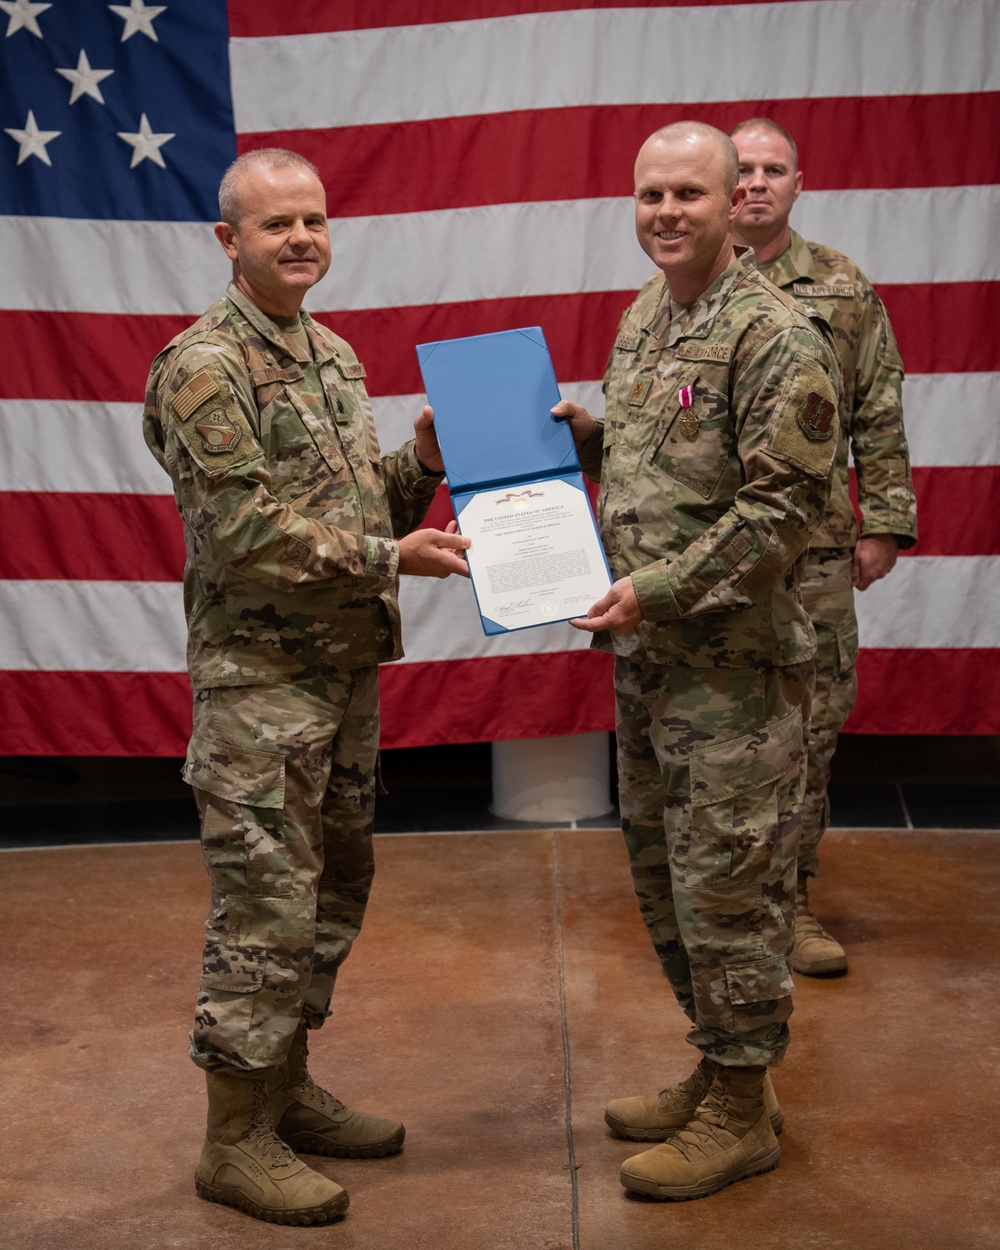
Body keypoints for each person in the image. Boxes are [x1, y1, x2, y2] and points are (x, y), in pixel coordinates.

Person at [143, 148, 470, 1226]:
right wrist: (392, 559)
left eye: (313, 220)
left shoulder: (327, 353)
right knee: (263, 905)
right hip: (259, 684)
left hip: (337, 675)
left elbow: (353, 502)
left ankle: (282, 1086)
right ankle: (232, 1135)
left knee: (333, 884)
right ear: (227, 240)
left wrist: (417, 461)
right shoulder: (203, 365)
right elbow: (240, 532)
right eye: (274, 223)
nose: (300, 238)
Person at [552, 121, 841, 1200]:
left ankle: (740, 1110)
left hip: (733, 672)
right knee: (666, 883)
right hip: (653, 666)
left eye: (687, 193)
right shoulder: (648, 316)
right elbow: (650, 456)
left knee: (730, 892)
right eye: (648, 194)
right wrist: (569, 437)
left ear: (735, 204)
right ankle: (722, 1068)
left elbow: (779, 511)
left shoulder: (776, 336)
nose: (665, 211)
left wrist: (656, 588)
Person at [730, 118, 918, 976]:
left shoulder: (843, 288)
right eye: (740, 169)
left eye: (773, 169)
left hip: (814, 553)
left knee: (810, 726)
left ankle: (793, 900)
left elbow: (876, 407)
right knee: (723, 725)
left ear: (798, 185)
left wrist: (880, 521)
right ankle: (727, 898)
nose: (755, 183)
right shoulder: (686, 287)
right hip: (716, 556)